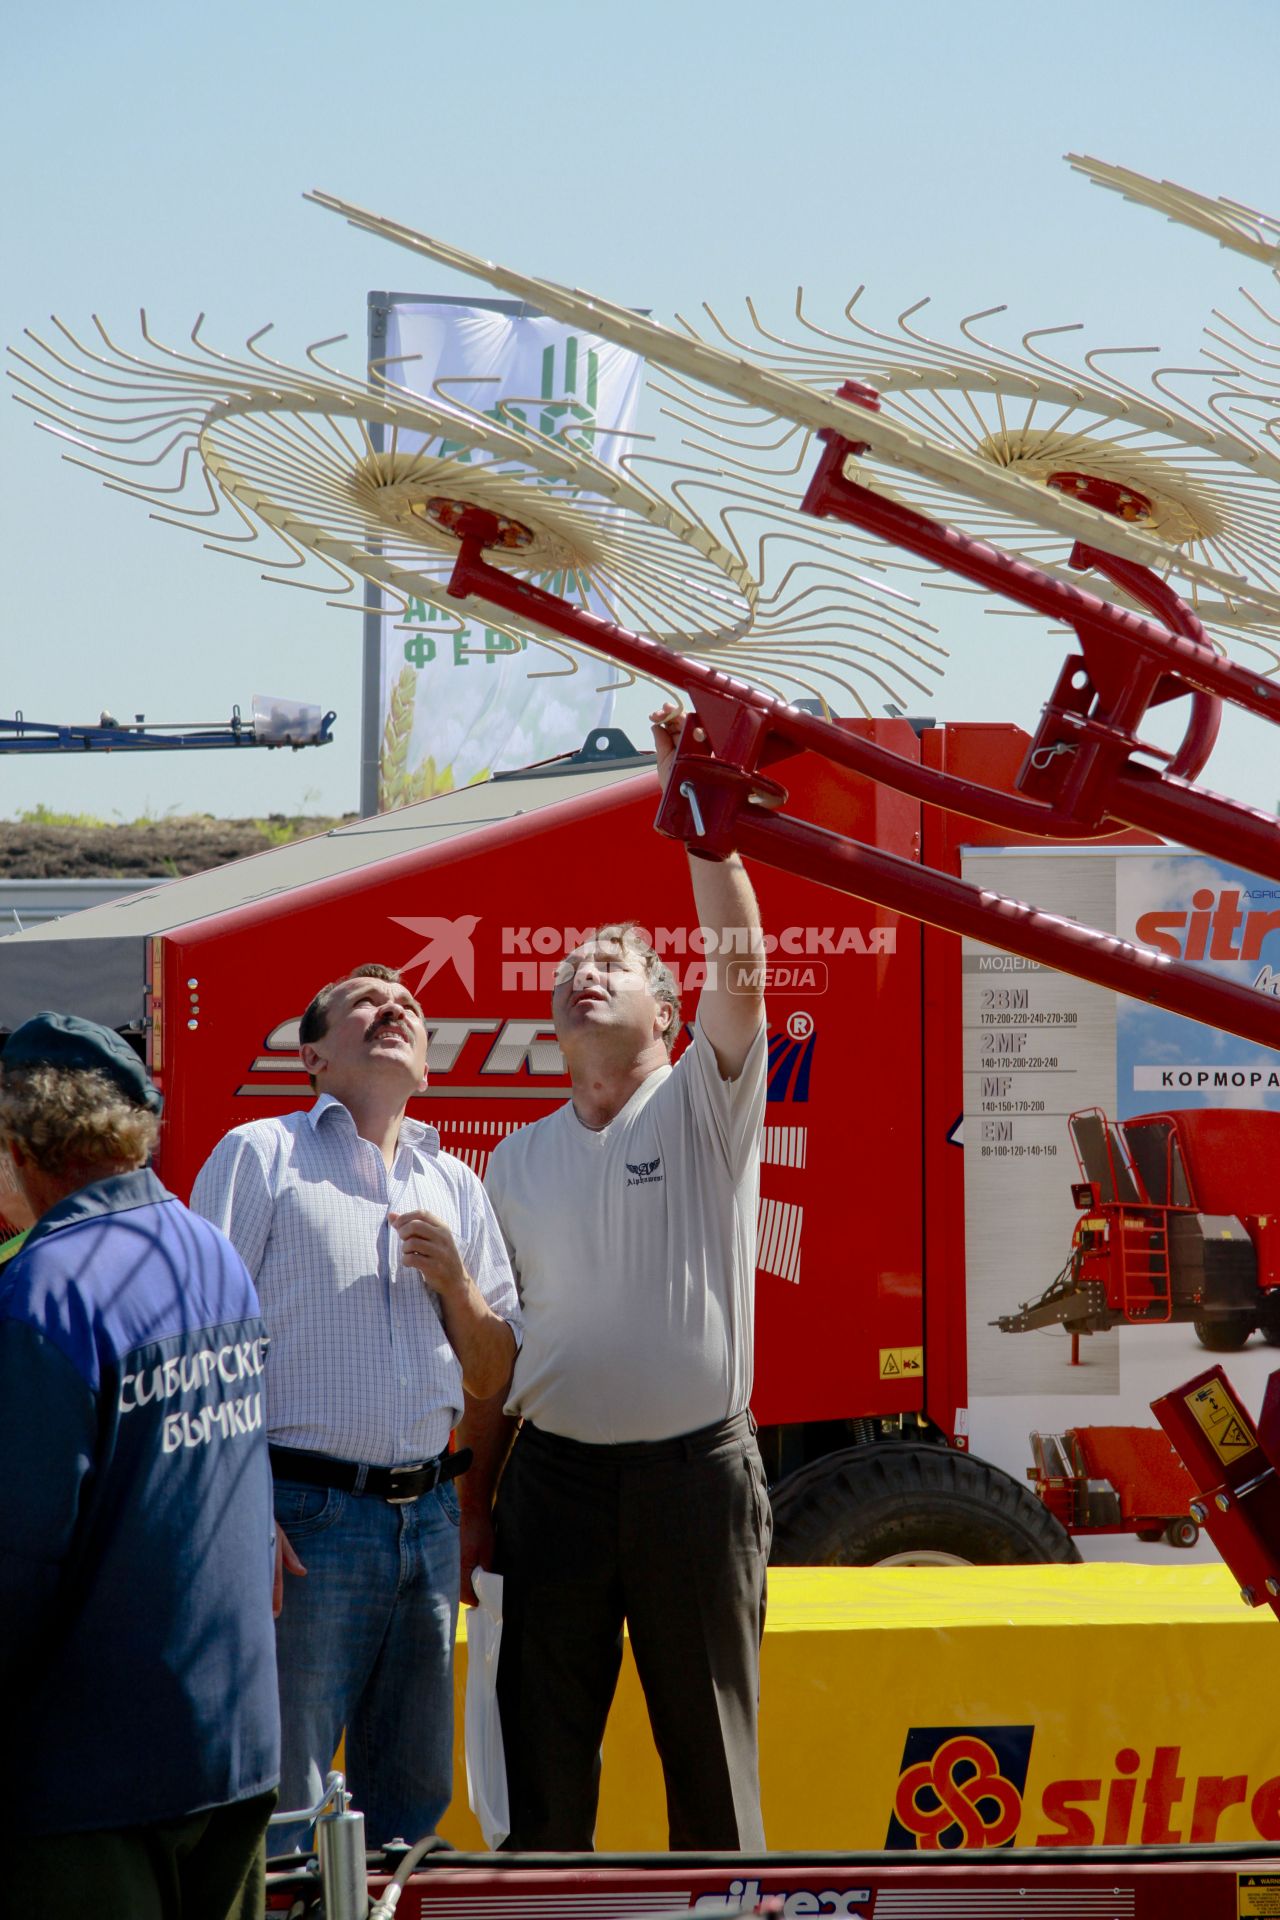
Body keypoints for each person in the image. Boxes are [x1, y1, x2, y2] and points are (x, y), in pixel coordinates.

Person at [464, 703, 771, 1851]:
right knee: (542, 1765)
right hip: (550, 1488)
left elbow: (744, 960)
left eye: (612, 964)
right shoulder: (513, 1157)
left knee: (710, 1764)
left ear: (667, 1009)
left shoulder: (703, 1099)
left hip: (694, 1480)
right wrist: (473, 1498)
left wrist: (702, 825)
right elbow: (494, 1348)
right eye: (572, 964)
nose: (582, 974)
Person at [192, 962, 521, 1852]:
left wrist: (456, 1283)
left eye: (409, 1007)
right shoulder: (261, 1154)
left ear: (426, 1061)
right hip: (300, 1519)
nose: (393, 1011)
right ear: (313, 1059)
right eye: (364, 1004)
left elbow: (492, 1375)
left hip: (425, 1524)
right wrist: (240, 1514)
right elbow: (201, 1345)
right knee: (285, 1807)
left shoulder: (458, 1185)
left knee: (408, 1814)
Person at [0, 1012, 279, 1919]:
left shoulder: (41, 1297)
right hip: (231, 1750)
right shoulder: (208, 1250)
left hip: (96, 1786)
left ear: (22, 1143)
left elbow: (17, 1557)